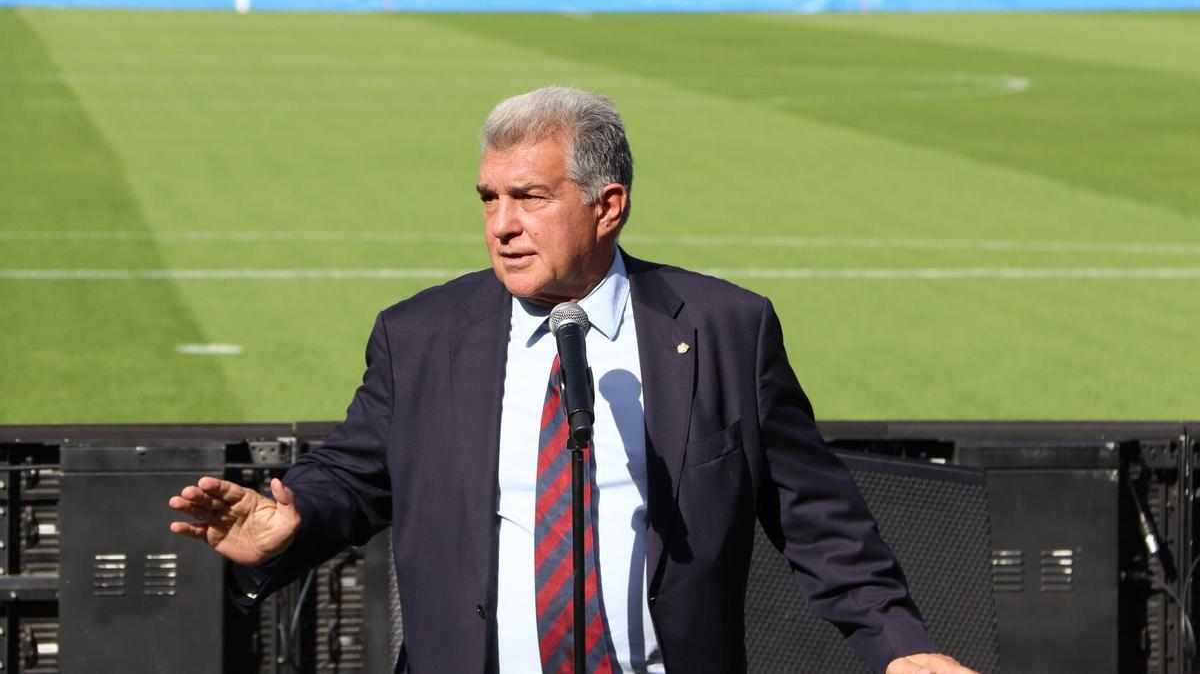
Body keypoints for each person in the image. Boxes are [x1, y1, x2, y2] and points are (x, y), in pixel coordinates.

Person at [169, 86, 977, 674]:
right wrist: (291, 521)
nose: (501, 225)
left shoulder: (727, 329)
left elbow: (816, 518)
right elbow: (353, 475)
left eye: (529, 197)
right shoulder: (420, 336)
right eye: (489, 198)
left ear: (607, 206)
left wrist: (901, 646)